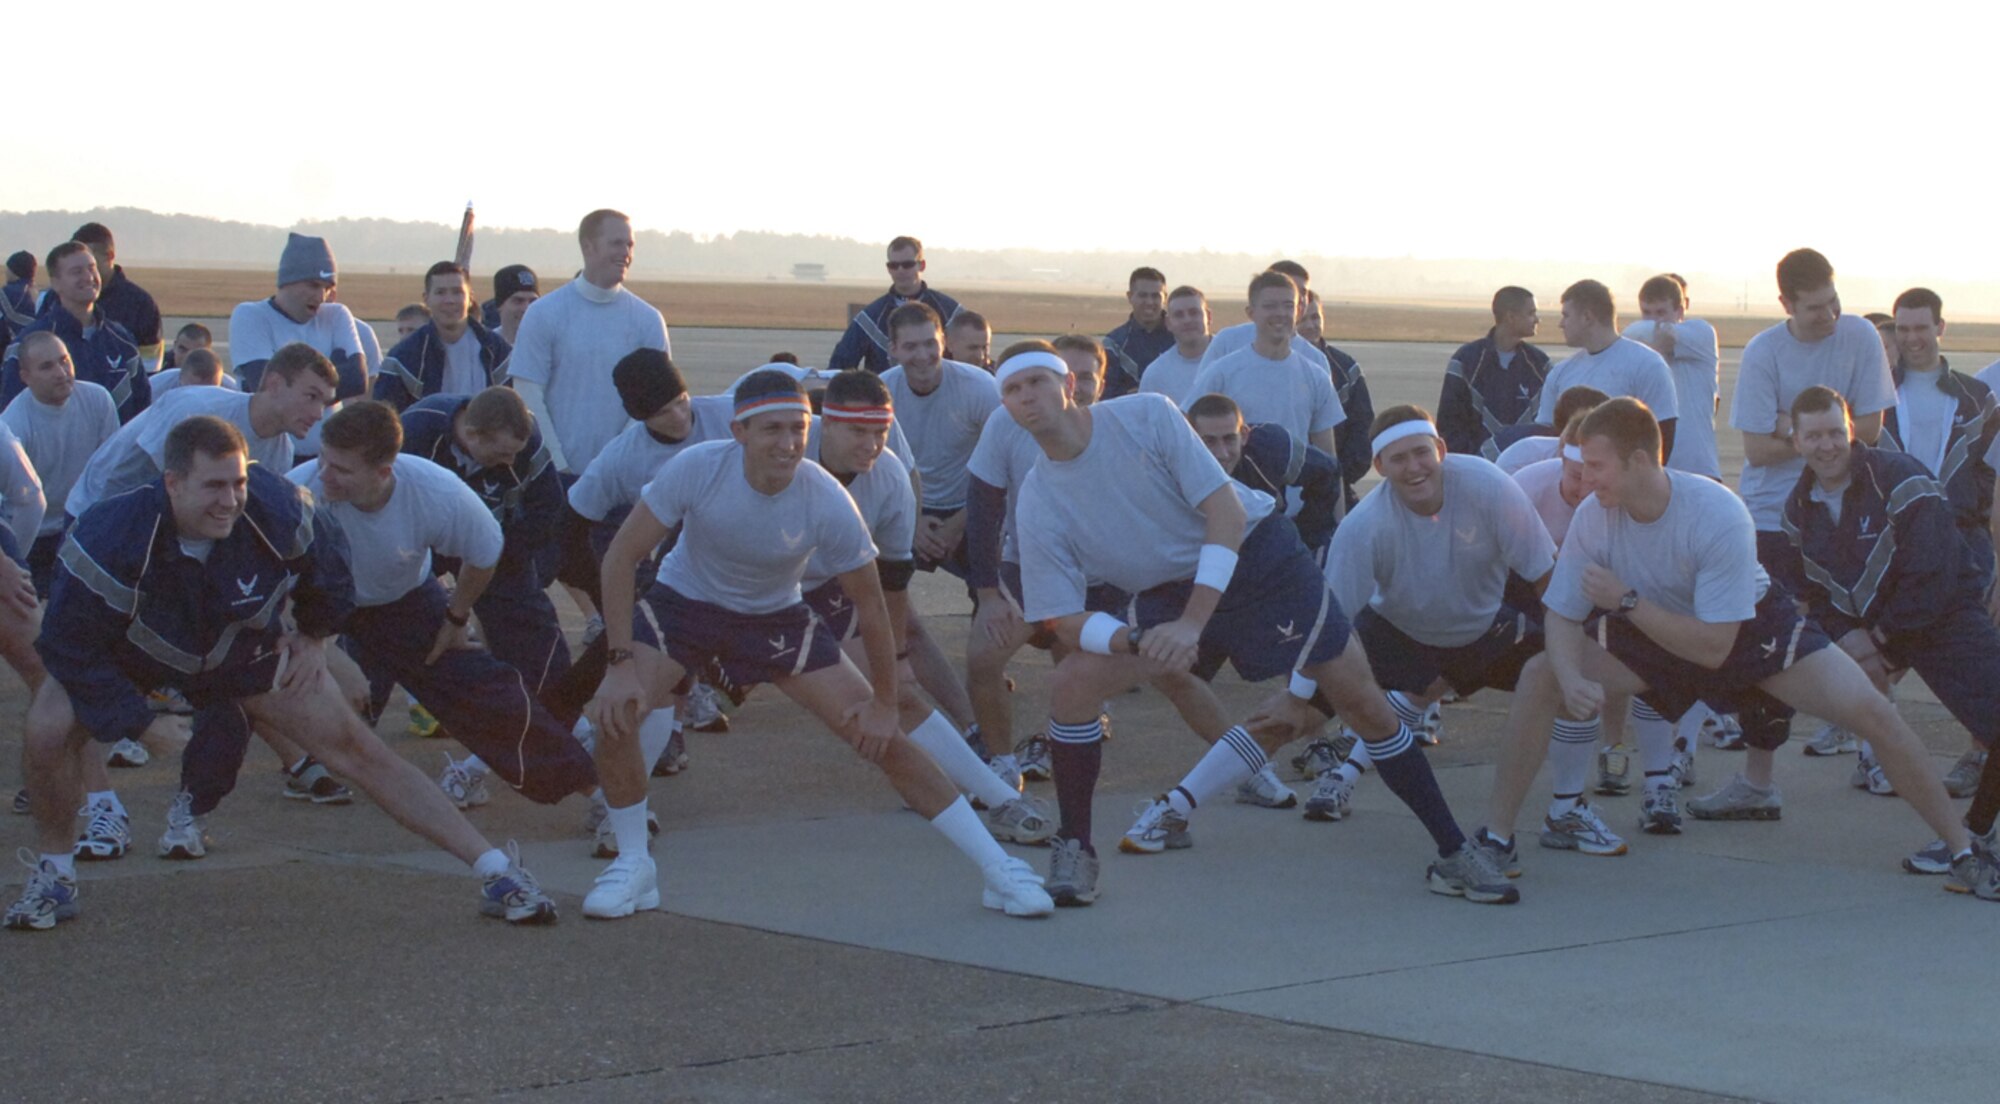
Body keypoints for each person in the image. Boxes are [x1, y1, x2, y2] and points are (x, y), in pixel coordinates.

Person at [998, 349, 1515, 906]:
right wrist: (1138, 640)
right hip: (1169, 592)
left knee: (1363, 703)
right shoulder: (1038, 499)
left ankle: (1453, 852)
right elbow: (1059, 619)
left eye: (1037, 381)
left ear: (1068, 383)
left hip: (1259, 560)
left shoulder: (1146, 415)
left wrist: (1192, 624)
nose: (1027, 397)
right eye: (1012, 390)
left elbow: (1227, 512)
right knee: (1072, 682)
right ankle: (1076, 848)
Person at [6, 416, 558, 930]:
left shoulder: (281, 507)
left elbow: (331, 573)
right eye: (213, 486)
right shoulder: (108, 535)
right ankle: (54, 874)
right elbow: (70, 648)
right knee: (48, 727)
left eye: (238, 483)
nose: (230, 501)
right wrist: (138, 721)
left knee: (358, 749)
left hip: (241, 653)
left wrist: (314, 636)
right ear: (172, 483)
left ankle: (497, 872)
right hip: (134, 658)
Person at [581, 369, 1052, 920]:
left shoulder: (826, 498)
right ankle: (633, 865)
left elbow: (873, 609)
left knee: (884, 739)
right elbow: (621, 557)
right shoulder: (696, 467)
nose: (787, 443)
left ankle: (1000, 869)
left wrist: (883, 703)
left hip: (776, 617)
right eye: (771, 429)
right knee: (617, 713)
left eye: (798, 429)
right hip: (685, 606)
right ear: (738, 431)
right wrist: (618, 664)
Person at [1472, 398, 1974, 878]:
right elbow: (1561, 614)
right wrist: (1569, 677)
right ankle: (1496, 838)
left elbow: (1714, 648)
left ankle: (1964, 851)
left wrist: (1627, 601)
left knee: (1874, 713)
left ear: (1639, 460)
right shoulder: (1594, 514)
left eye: (1596, 466)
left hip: (1747, 629)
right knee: (1540, 674)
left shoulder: (1716, 511)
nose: (1584, 480)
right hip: (1652, 628)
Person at [290, 401, 598, 807]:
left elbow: (485, 553)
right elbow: (271, 586)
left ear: (383, 472)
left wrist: (455, 617)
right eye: (323, 460)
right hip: (319, 605)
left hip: (404, 601)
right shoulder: (297, 493)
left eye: (342, 470)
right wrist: (318, 647)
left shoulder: (435, 491)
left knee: (487, 693)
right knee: (292, 691)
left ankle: (598, 792)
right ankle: (297, 768)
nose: (323, 476)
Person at [806, 369, 1054, 840]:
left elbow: (891, 584)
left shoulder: (889, 476)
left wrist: (896, 659)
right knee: (656, 684)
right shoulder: (785, 447)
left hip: (814, 589)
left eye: (880, 432)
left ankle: (1001, 800)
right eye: (857, 431)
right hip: (720, 591)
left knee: (896, 694)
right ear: (827, 424)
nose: (871, 445)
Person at [1782, 385, 2000, 892]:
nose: (1826, 445)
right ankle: (1971, 838)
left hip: (1946, 621)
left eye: (1835, 432)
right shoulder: (1798, 509)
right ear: (1796, 441)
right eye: (1813, 436)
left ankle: (1973, 835)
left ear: (1851, 430)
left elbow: (1933, 573)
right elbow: (1815, 593)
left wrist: (1878, 642)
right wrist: (1850, 637)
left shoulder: (1900, 477)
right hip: (1881, 636)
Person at [1314, 409, 1571, 835]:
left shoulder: (1488, 484)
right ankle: (1333, 775)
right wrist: (1304, 691)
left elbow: (1547, 575)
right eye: (1399, 458)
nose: (1414, 467)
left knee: (1567, 681)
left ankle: (1571, 808)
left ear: (1441, 450)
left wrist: (1570, 659)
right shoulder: (1364, 525)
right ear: (1379, 466)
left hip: (1479, 618)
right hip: (1397, 623)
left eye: (1421, 453)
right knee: (1301, 711)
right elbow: (1330, 619)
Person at [507, 209, 670, 623]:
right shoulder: (546, 314)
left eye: (630, 244)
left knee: (630, 593)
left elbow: (655, 404)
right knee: (529, 580)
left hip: (623, 486)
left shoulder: (647, 320)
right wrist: (558, 466)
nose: (626, 252)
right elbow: (528, 392)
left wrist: (615, 463)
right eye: (617, 243)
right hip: (557, 481)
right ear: (588, 246)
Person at [1731, 248, 1896, 603]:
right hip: (1774, 517)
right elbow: (1757, 451)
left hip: (1847, 512)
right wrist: (1832, 434)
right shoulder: (1763, 352)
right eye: (1815, 308)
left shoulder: (1862, 335)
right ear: (1786, 305)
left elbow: (1870, 430)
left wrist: (1790, 427)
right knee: (1783, 624)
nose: (1830, 314)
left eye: (1833, 301)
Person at [1, 333, 120, 595]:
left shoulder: (98, 400)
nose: (61, 372)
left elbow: (110, 473)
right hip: (34, 535)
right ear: (25, 376)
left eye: (64, 361)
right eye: (46, 367)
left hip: (84, 527)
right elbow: (17, 502)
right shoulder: (14, 425)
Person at [1182, 271, 1343, 457]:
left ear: (1298, 311)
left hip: (1296, 476)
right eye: (1270, 306)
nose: (1280, 314)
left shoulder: (1316, 377)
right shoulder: (1222, 372)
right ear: (1251, 313)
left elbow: (1327, 457)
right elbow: (1186, 430)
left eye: (1288, 306)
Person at [1, 241, 149, 422]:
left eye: (92, 268)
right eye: (76, 272)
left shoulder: (122, 341)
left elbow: (143, 413)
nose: (88, 277)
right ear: (56, 283)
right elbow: (9, 417)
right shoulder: (28, 346)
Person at [1185, 394, 1343, 559]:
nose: (1222, 453)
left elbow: (1327, 470)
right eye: (1209, 441)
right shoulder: (1175, 466)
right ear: (1190, 440)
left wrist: (1307, 537)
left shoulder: (1268, 449)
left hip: (1265, 550)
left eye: (1229, 439)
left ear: (1244, 435)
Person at [1536, 280, 1679, 461]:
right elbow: (1546, 437)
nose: (1561, 324)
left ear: (1587, 317)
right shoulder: (1560, 372)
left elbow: (1663, 435)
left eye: (1566, 315)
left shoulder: (1647, 364)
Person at [226, 233, 368, 401]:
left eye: (327, 288)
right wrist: (332, 374)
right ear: (287, 282)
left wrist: (293, 381)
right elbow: (268, 389)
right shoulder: (251, 316)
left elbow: (357, 381)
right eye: (313, 285)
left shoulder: (337, 315)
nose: (321, 297)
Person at [375, 262, 513, 411]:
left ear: (470, 298)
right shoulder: (402, 358)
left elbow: (513, 412)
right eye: (440, 292)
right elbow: (385, 418)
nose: (449, 300)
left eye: (457, 292)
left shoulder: (497, 351)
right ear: (426, 299)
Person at [1624, 274, 1722, 478]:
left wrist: (1652, 348)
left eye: (1661, 312)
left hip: (1698, 468)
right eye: (1646, 312)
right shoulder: (1638, 343)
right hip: (1656, 470)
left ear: (1680, 310)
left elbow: (1644, 334)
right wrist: (1656, 348)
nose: (1654, 320)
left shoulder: (1701, 333)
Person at [1438, 286, 1551, 460]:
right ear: (1511, 317)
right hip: (1476, 466)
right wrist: (1476, 460)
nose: (1537, 319)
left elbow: (1549, 425)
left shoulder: (1540, 363)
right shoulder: (1466, 360)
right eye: (1531, 313)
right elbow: (1449, 424)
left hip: (1527, 466)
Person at [828, 236, 963, 374]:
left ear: (922, 265)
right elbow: (839, 366)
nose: (900, 270)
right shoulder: (869, 318)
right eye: (893, 265)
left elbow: (970, 362)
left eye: (907, 264)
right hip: (884, 388)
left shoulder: (951, 312)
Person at [1297, 290, 1375, 507]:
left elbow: (1362, 428)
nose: (1310, 325)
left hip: (1335, 483)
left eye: (1315, 317)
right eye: (1302, 319)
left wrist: (1336, 475)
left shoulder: (1345, 368)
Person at [70, 223, 163, 371]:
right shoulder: (56, 297)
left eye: (91, 264)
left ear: (109, 256)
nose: (85, 273)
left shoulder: (140, 304)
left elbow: (150, 367)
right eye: (77, 266)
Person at [1102, 267, 1173, 399]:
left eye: (1155, 296)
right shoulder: (1115, 343)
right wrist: (1135, 395)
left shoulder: (1180, 337)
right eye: (1142, 295)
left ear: (1165, 298)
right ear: (1130, 297)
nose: (1149, 302)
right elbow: (1105, 392)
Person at [1139, 286, 1212, 405]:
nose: (1187, 320)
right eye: (1179, 315)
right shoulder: (1155, 375)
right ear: (1168, 323)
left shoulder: (1232, 358)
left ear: (1208, 317)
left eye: (1194, 313)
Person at [484, 264, 539, 343]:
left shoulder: (551, 345)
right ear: (499, 305)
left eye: (533, 301)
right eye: (518, 301)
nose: (526, 308)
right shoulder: (485, 346)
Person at [148, 348, 239, 396]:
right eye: (192, 390)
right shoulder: (155, 387)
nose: (198, 398)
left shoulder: (233, 391)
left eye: (210, 392)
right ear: (180, 377)